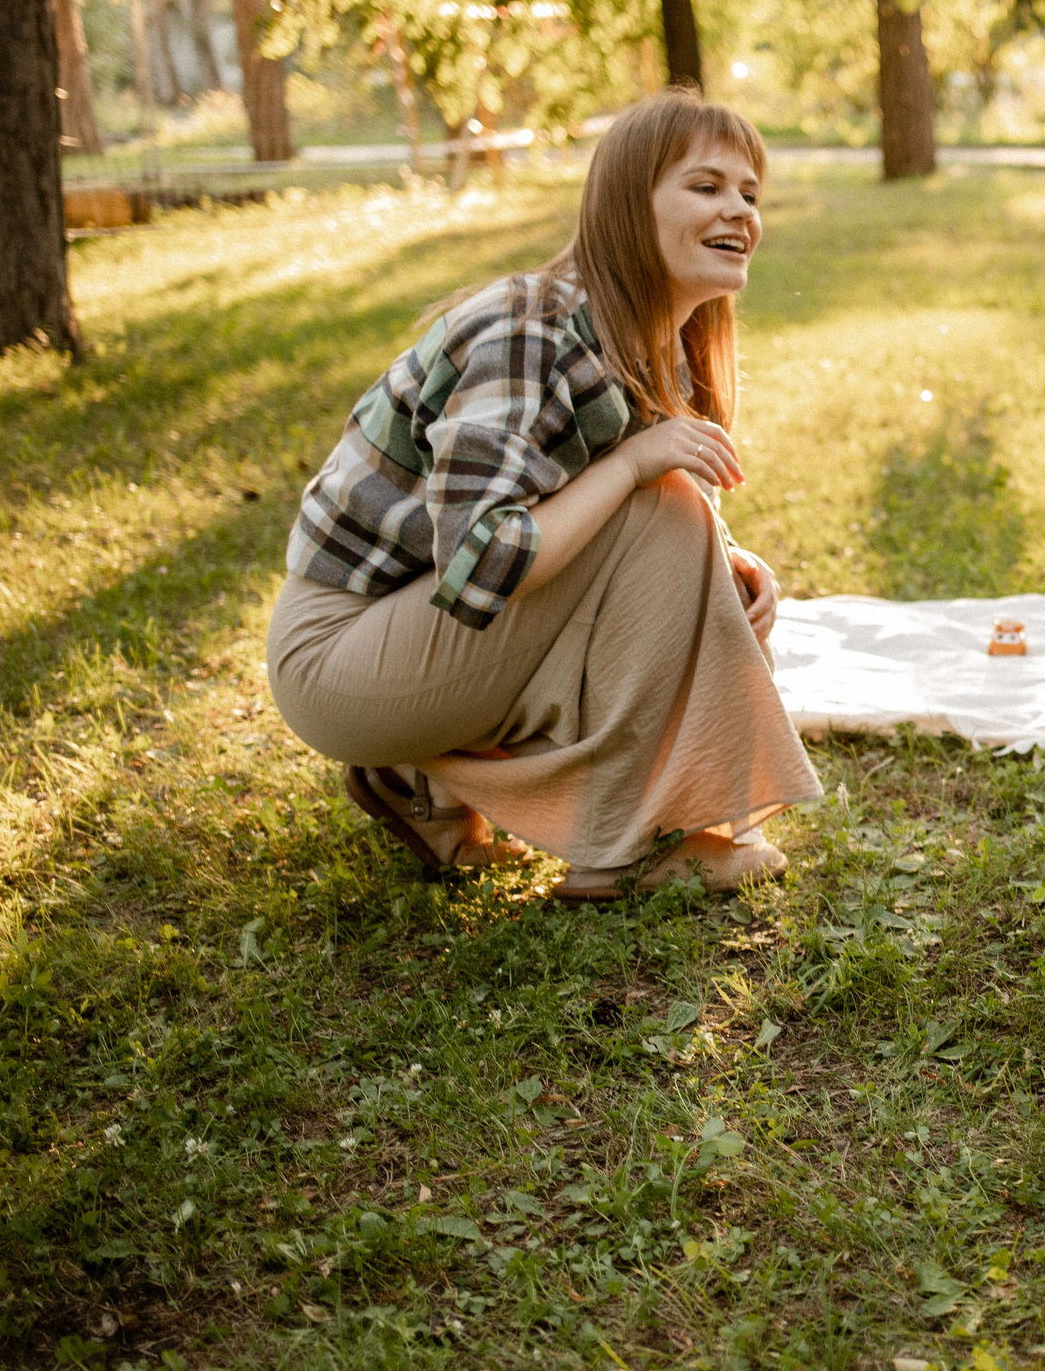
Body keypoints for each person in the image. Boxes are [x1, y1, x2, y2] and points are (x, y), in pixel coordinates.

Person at [266, 91, 822, 902]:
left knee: (674, 518)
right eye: (706, 186)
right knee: (658, 498)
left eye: (749, 193)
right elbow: (484, 555)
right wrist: (635, 467)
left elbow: (612, 534)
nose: (738, 208)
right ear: (629, 205)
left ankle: (425, 785)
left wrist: (732, 565)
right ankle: (633, 845)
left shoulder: (652, 344)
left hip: (427, 629)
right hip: (339, 656)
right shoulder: (529, 328)